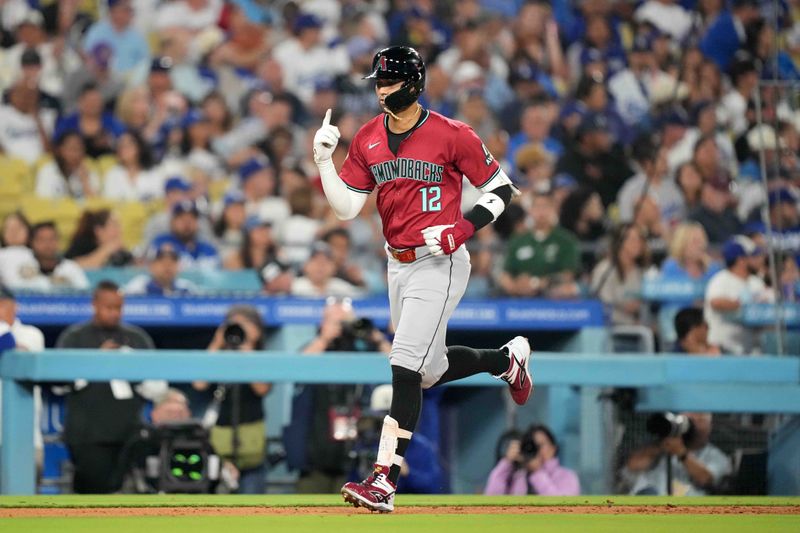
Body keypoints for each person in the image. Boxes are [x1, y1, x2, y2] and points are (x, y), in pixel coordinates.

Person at [312, 46, 533, 513]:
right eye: (377, 81)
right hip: (398, 262)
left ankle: (383, 480)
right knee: (427, 372)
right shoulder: (370, 136)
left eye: (387, 81)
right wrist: (325, 162)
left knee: (404, 365)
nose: (380, 89)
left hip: (441, 259)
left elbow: (501, 189)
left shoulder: (453, 133)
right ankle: (505, 360)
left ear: (413, 83)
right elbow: (347, 207)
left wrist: (463, 227)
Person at [56, 281, 164, 493]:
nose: (114, 313)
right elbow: (58, 383)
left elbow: (157, 385)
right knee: (93, 496)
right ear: (95, 305)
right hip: (88, 435)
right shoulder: (75, 337)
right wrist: (98, 360)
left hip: (130, 432)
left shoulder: (137, 337)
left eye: (118, 308)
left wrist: (130, 363)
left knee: (135, 494)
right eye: (109, 307)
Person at [293, 299, 392, 493]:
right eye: (335, 321)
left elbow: (397, 365)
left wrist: (375, 337)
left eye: (345, 321)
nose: (342, 326)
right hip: (316, 452)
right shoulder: (317, 347)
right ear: (323, 323)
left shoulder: (362, 348)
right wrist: (324, 338)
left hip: (357, 451)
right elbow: (297, 368)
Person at [192, 305, 271, 494]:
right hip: (220, 444)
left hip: (251, 447)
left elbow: (262, 388)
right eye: (234, 325)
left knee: (254, 509)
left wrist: (246, 350)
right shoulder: (219, 357)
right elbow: (199, 383)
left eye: (246, 324)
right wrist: (217, 343)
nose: (240, 329)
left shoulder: (262, 358)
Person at [623, 412, 732, 496]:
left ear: (709, 426)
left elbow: (705, 479)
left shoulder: (716, 456)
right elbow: (633, 465)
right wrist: (662, 445)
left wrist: (681, 452)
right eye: (690, 419)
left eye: (700, 420)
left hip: (690, 515)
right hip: (652, 510)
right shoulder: (661, 447)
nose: (693, 425)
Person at [500, 190, 581, 299]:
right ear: (530, 210)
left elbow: (568, 274)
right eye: (537, 207)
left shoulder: (566, 240)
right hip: (520, 295)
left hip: (554, 295)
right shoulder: (518, 239)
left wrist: (536, 283)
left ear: (554, 209)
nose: (541, 212)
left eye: (546, 207)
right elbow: (506, 273)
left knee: (569, 290)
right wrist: (515, 286)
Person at [704, 236, 773, 355]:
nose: (760, 260)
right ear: (741, 260)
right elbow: (716, 302)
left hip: (751, 347)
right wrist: (743, 304)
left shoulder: (756, 282)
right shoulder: (721, 279)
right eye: (754, 257)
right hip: (724, 347)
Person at [485, 424, 580, 495]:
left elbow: (562, 509)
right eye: (532, 446)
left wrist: (537, 473)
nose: (537, 451)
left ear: (553, 448)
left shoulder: (567, 477)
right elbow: (491, 500)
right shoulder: (517, 477)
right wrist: (506, 463)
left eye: (540, 445)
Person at [0, 221, 89, 291]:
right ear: (32, 242)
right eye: (41, 239)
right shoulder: (15, 258)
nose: (47, 244)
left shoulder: (71, 268)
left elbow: (84, 296)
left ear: (58, 241)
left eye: (52, 239)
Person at [590, 224, 649, 326]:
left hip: (638, 326)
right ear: (620, 243)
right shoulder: (604, 270)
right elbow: (603, 307)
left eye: (640, 239)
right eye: (632, 240)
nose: (637, 244)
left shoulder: (642, 272)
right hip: (608, 326)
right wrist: (630, 319)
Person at [149, 200, 219, 270]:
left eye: (191, 218)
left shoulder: (207, 247)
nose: (187, 223)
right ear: (172, 222)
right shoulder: (161, 242)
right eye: (182, 218)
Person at [65, 209, 133, 269]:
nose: (119, 231)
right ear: (98, 230)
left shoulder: (120, 251)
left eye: (119, 226)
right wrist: (107, 249)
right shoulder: (82, 244)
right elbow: (72, 267)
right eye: (114, 226)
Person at [124, 242, 198, 296]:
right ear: (151, 265)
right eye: (161, 260)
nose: (167, 265)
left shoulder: (186, 288)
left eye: (173, 260)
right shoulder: (138, 287)